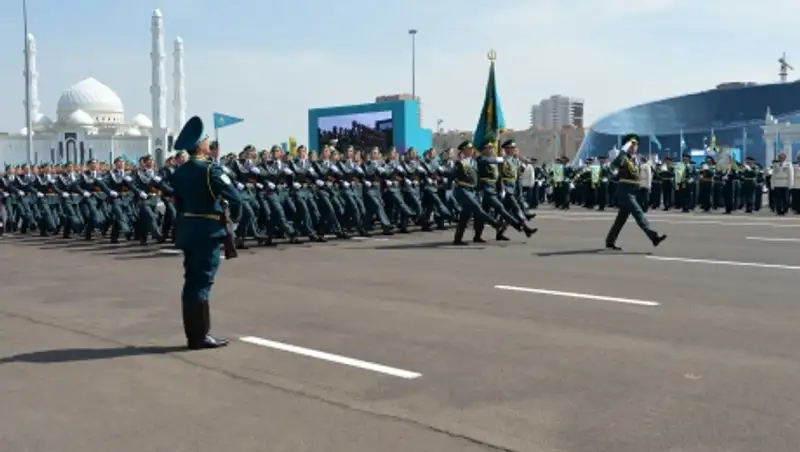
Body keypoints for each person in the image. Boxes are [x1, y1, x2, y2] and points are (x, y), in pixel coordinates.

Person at [171, 116, 243, 350]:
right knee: (202, 283)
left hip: (188, 231)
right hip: (207, 232)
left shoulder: (179, 172)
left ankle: (194, 334)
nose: (208, 143)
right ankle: (199, 336)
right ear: (200, 145)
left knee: (191, 282)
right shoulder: (210, 170)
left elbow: (179, 204)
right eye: (206, 140)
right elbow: (236, 198)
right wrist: (235, 219)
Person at [604, 134, 667, 251]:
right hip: (625, 192)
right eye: (633, 144)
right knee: (639, 214)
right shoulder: (624, 158)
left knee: (620, 220)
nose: (636, 147)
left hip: (633, 191)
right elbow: (615, 164)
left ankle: (610, 241)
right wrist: (623, 149)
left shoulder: (635, 159)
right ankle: (654, 237)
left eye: (637, 144)